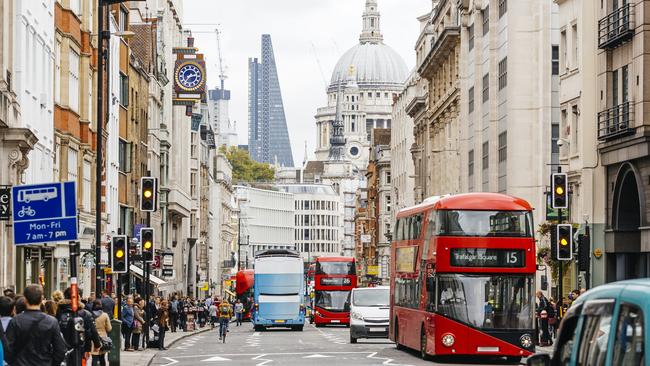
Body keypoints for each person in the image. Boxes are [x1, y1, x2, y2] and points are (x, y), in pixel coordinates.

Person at [5, 284, 66, 366]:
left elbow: (8, 349)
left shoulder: (15, 321)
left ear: (25, 299)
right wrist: (51, 363)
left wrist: (15, 363)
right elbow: (60, 350)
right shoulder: (52, 322)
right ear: (41, 299)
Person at [90, 299, 112, 366]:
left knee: (94, 358)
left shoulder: (90, 314)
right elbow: (109, 329)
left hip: (93, 339)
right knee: (102, 357)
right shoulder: (105, 315)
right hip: (103, 339)